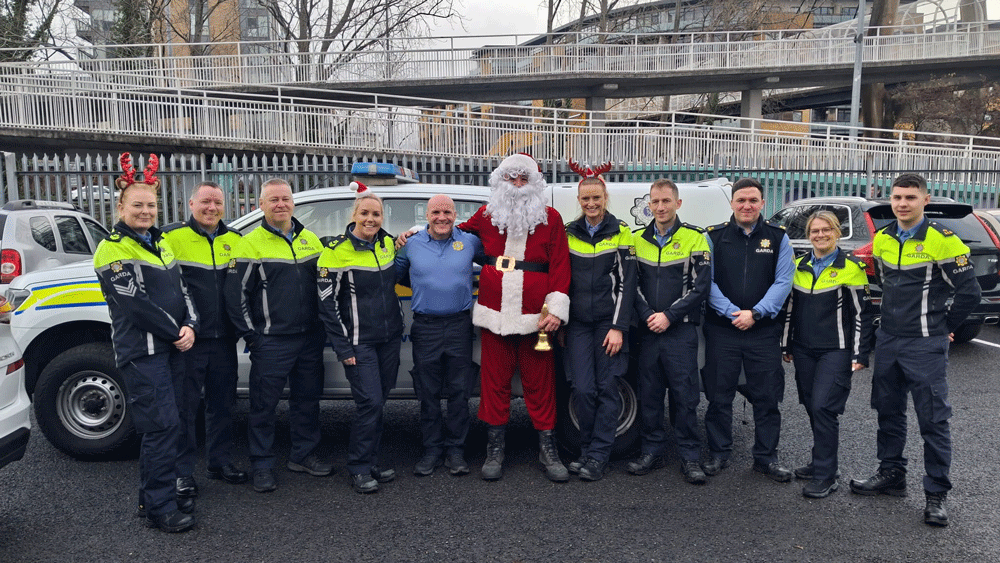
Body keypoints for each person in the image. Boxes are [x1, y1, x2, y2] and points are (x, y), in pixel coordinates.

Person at [850, 173, 980, 527]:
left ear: (925, 200)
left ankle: (936, 493)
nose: (902, 203)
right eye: (897, 197)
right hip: (889, 340)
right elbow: (883, 283)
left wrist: (945, 327)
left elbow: (970, 293)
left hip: (925, 343)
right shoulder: (884, 237)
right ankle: (891, 474)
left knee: (933, 419)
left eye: (910, 197)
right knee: (888, 411)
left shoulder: (944, 240)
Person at [94, 153, 198, 533]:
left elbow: (181, 289)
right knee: (162, 427)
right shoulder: (113, 248)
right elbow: (136, 305)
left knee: (176, 423)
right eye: (137, 205)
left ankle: (153, 496)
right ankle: (159, 508)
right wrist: (177, 331)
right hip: (144, 353)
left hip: (173, 348)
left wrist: (192, 324)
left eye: (151, 205)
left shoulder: (161, 242)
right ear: (120, 206)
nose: (145, 211)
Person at [457, 153, 571, 482]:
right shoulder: (486, 214)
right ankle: (495, 449)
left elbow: (560, 268)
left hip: (538, 316)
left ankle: (547, 449)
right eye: (512, 179)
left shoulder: (551, 218)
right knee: (494, 382)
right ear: (500, 182)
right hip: (496, 314)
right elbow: (454, 231)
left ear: (534, 183)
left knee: (541, 384)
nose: (518, 185)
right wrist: (413, 234)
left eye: (524, 179)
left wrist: (555, 310)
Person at [226, 178, 332, 494]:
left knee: (307, 401)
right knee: (263, 406)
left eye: (285, 198)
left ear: (293, 203)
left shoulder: (311, 240)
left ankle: (302, 455)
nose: (280, 204)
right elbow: (235, 297)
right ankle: (261, 464)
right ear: (261, 205)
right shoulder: (249, 244)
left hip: (309, 339)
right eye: (273, 200)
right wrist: (252, 337)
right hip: (271, 341)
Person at [703, 177, 794, 482]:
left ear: (762, 204)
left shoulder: (779, 238)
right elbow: (708, 282)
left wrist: (755, 313)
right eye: (741, 200)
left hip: (762, 330)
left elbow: (783, 282)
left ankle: (766, 458)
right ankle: (718, 453)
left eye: (753, 200)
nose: (747, 205)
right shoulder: (714, 237)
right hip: (723, 330)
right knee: (719, 396)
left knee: (767, 398)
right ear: (731, 203)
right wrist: (732, 313)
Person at [162, 182, 248, 500]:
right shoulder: (170, 237)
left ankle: (219, 463)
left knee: (223, 406)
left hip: (224, 338)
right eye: (205, 202)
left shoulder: (236, 240)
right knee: (184, 409)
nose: (211, 208)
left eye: (217, 202)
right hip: (188, 339)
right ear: (191, 203)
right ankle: (181, 474)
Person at [781, 210, 874, 499]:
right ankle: (822, 461)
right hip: (804, 351)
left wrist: (860, 353)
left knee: (824, 407)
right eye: (815, 231)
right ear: (808, 235)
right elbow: (789, 311)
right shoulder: (799, 266)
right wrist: (786, 345)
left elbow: (863, 315)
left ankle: (826, 474)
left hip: (837, 351)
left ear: (836, 233)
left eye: (826, 230)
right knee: (811, 405)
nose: (820, 235)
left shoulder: (852, 268)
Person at [317, 184, 403, 493]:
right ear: (354, 215)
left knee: (379, 403)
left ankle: (371, 461)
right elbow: (326, 305)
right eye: (364, 213)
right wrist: (343, 347)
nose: (370, 219)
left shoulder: (388, 244)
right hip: (358, 342)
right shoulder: (335, 251)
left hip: (391, 339)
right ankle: (359, 467)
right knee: (369, 403)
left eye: (376, 214)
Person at [626, 179, 711, 485]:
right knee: (649, 395)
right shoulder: (637, 239)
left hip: (679, 332)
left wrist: (669, 316)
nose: (660, 207)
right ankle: (651, 451)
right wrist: (649, 315)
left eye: (665, 201)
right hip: (648, 331)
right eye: (655, 202)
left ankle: (690, 457)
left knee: (685, 396)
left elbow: (700, 288)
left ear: (678, 204)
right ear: (648, 205)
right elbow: (631, 286)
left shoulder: (695, 239)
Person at [394, 194, 482, 477]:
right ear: (427, 215)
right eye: (435, 212)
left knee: (459, 392)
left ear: (455, 214)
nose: (441, 217)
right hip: (425, 327)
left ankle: (456, 451)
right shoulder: (411, 244)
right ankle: (432, 449)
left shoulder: (470, 241)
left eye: (447, 212)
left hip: (459, 325)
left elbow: (495, 261)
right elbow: (391, 274)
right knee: (427, 393)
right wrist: (396, 241)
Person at [562, 164, 635, 481]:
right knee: (582, 388)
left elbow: (627, 284)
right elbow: (562, 283)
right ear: (579, 200)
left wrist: (618, 327)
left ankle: (598, 456)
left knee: (607, 389)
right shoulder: (568, 233)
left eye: (596, 197)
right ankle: (586, 450)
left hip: (608, 325)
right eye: (585, 198)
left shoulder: (622, 233)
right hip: (578, 325)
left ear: (605, 197)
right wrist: (562, 324)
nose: (591, 204)